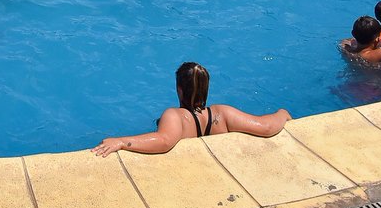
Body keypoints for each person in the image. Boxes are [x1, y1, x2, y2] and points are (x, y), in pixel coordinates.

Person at [92, 62, 290, 156]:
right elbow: (265, 127)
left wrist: (121, 142)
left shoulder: (174, 116)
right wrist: (282, 114)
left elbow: (164, 141)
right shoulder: (222, 114)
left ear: (179, 89)